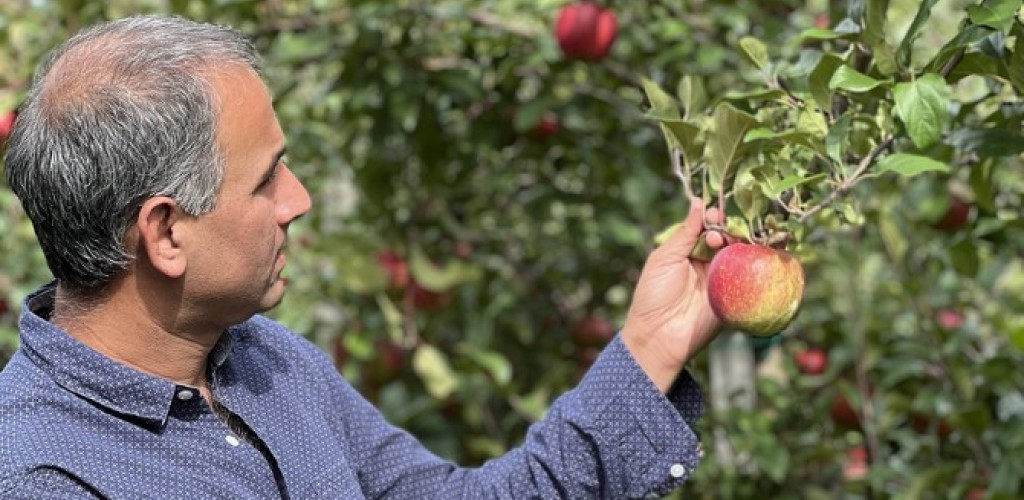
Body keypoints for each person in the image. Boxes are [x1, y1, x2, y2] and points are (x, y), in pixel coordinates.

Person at [0, 14, 728, 499]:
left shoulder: (268, 364)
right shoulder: (46, 475)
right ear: (164, 234)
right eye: (265, 181)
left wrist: (650, 346)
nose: (299, 199)